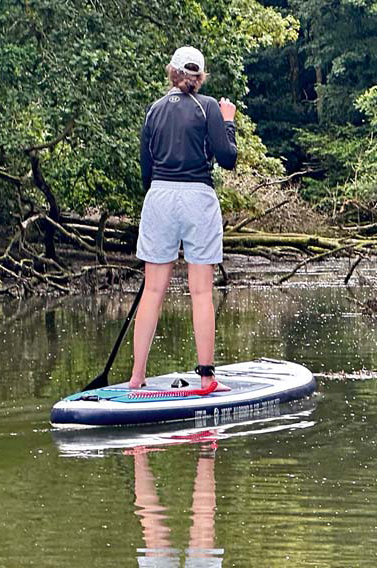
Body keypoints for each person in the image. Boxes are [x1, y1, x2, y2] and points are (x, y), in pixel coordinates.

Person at [129, 46, 238, 392]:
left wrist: (162, 193)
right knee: (201, 291)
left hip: (158, 196)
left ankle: (136, 377)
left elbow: (146, 172)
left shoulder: (153, 111)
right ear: (200, 77)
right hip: (197, 197)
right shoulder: (208, 108)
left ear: (172, 73)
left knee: (153, 290)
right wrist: (228, 121)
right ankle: (206, 377)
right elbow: (227, 158)